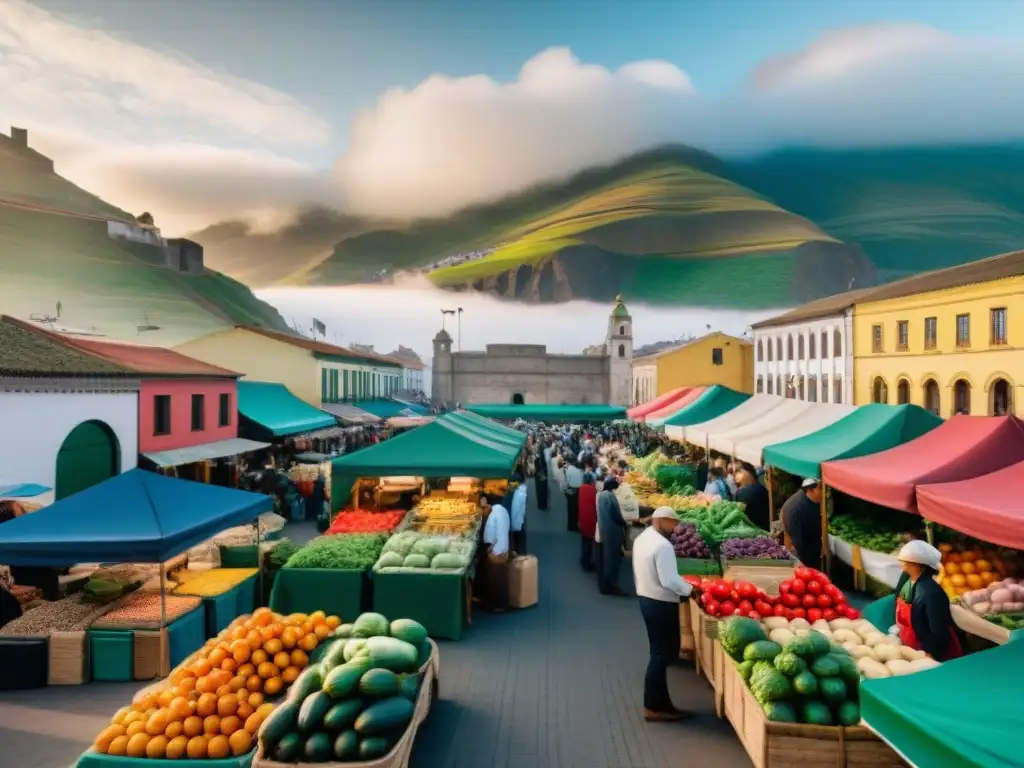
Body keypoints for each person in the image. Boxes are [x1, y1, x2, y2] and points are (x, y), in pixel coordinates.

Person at [633, 507, 694, 721]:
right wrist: (691, 590)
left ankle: (661, 703)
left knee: (658, 652)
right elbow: (669, 580)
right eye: (674, 524)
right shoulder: (663, 546)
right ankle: (654, 706)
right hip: (661, 602)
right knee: (661, 655)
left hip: (645, 598)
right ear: (663, 520)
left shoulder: (642, 538)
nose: (676, 529)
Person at [893, 540, 964, 661]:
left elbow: (938, 628)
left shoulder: (931, 593)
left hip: (933, 651)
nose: (903, 563)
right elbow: (899, 603)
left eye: (907, 561)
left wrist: (932, 653)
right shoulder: (908, 580)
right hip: (914, 645)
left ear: (919, 565)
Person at [781, 478, 823, 569]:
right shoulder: (797, 510)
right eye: (821, 489)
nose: (825, 493)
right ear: (810, 490)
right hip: (805, 558)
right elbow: (799, 543)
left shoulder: (809, 500)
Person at [597, 477, 628, 596]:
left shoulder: (601, 495)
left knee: (608, 557)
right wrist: (624, 523)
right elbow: (615, 515)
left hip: (605, 529)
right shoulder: (610, 496)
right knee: (613, 558)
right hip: (613, 530)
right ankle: (612, 584)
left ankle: (605, 585)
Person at [480, 494, 511, 612]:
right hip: (496, 549)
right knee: (494, 579)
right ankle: (495, 603)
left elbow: (501, 535)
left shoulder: (497, 514)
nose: (484, 511)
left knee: (497, 580)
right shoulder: (498, 512)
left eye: (484, 507)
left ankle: (499, 606)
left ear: (489, 505)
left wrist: (495, 552)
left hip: (498, 553)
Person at [577, 472, 598, 571]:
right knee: (589, 543)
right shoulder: (593, 490)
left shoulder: (581, 488)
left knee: (584, 541)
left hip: (582, 518)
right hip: (590, 520)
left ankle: (583, 560)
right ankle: (586, 563)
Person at [509, 476, 528, 554]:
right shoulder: (522, 491)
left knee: (518, 540)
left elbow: (515, 510)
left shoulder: (518, 494)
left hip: (516, 522)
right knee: (520, 539)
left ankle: (519, 555)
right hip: (520, 521)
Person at [564, 458, 583, 532]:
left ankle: (570, 526)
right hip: (577, 490)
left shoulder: (569, 469)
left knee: (570, 508)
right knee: (576, 508)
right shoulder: (580, 472)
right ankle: (575, 524)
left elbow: (567, 481)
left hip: (569, 489)